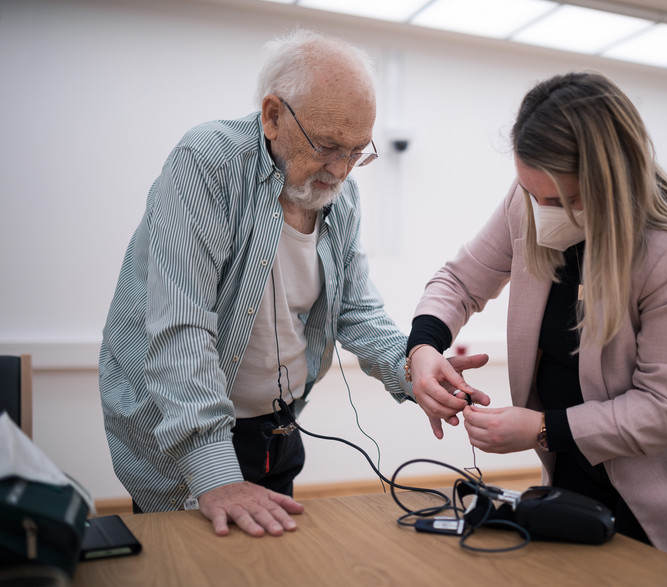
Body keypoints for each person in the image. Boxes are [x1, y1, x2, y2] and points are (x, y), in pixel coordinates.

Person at [406, 72, 667, 586]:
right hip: (582, 480)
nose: (539, 213)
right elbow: (459, 279)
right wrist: (423, 346)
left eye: (558, 200)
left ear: (610, 184)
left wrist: (542, 428)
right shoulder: (529, 198)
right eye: (529, 192)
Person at [99, 29, 484, 539]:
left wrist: (414, 364)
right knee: (194, 566)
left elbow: (357, 311)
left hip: (276, 426)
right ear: (273, 116)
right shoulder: (209, 161)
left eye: (356, 151)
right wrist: (216, 476)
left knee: (274, 562)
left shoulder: (340, 199)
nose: (342, 170)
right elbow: (181, 326)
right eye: (328, 146)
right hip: (182, 429)